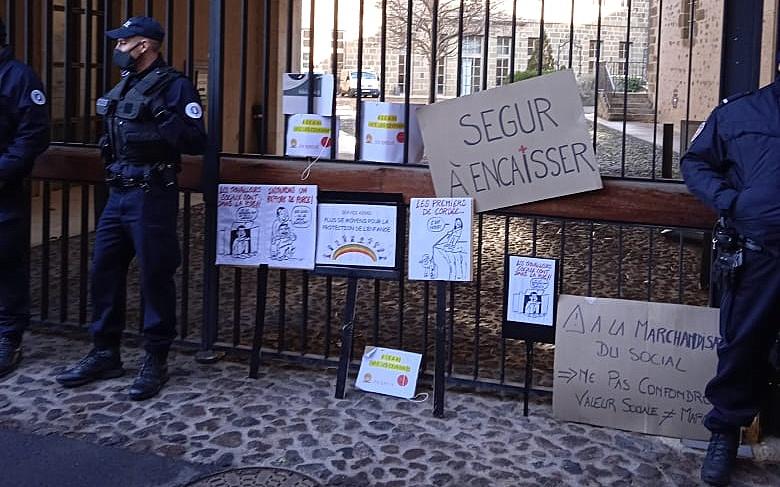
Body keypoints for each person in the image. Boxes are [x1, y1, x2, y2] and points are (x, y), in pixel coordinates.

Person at [56, 16, 206, 400]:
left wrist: (161, 116)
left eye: (125, 43)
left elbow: (195, 141)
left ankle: (156, 358)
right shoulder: (125, 85)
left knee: (155, 276)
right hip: (118, 192)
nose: (118, 49)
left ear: (145, 46)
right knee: (103, 271)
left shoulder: (175, 87)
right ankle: (105, 352)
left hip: (151, 193)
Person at [681, 69, 780, 486]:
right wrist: (729, 201)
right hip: (758, 257)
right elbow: (695, 161)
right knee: (741, 346)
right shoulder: (741, 113)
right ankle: (724, 431)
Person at [0, 17, 51, 378]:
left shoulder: (17, 77)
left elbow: (32, 134)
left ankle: (7, 337)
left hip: (2, 189)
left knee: (7, 265)